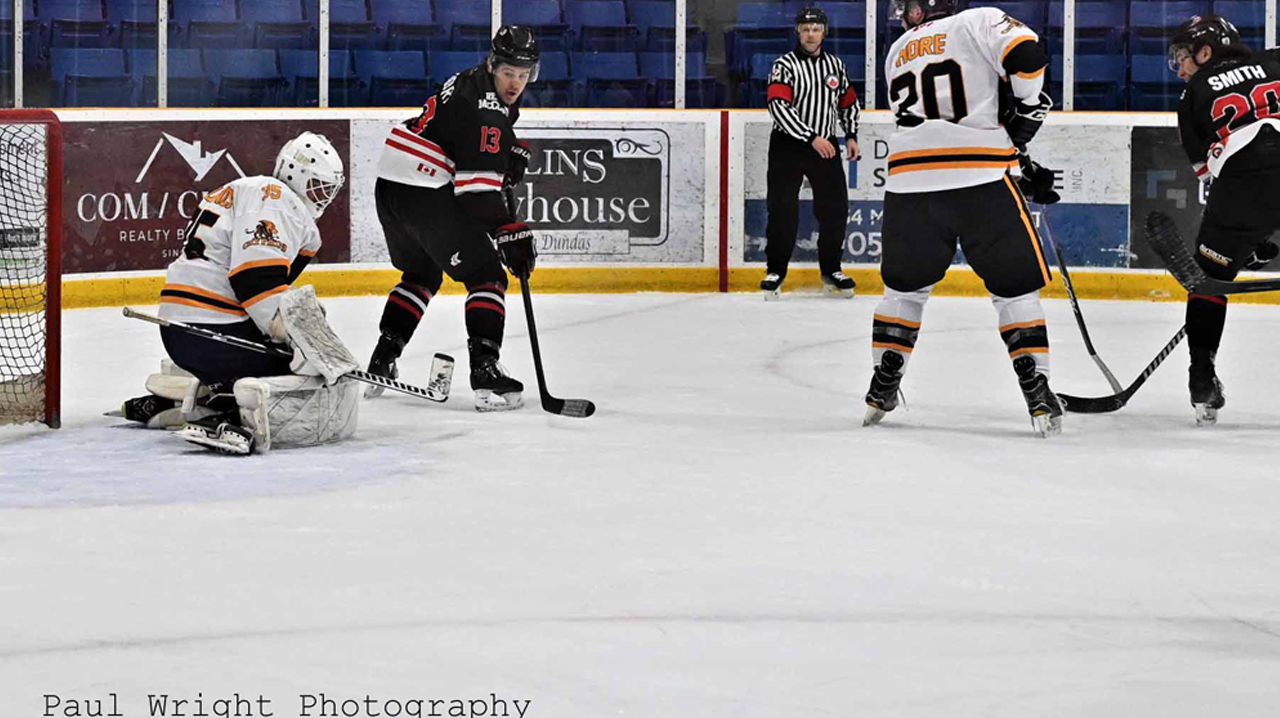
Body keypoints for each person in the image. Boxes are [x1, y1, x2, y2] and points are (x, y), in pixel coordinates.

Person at [865, 0, 1064, 437]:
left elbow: (942, 115)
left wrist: (1013, 150)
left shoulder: (897, 49)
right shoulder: (977, 20)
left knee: (904, 291)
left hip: (908, 182)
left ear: (919, 10)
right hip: (980, 179)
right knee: (1015, 292)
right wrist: (1028, 109)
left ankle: (884, 381)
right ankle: (1036, 386)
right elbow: (1028, 58)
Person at [120, 131, 353, 454]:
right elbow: (256, 283)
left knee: (283, 351)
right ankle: (231, 414)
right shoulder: (279, 201)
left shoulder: (242, 189)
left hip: (178, 333)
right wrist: (301, 341)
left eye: (328, 189)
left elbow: (262, 286)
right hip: (216, 334)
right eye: (318, 185)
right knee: (301, 371)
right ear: (294, 173)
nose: (323, 196)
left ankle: (185, 401)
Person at [366, 25, 540, 412]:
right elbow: (475, 194)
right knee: (487, 275)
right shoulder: (488, 110)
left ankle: (383, 356)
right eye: (509, 72)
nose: (515, 83)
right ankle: (486, 370)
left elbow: (459, 134)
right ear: (493, 65)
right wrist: (507, 230)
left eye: (523, 74)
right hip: (423, 187)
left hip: (391, 183)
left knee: (422, 274)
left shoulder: (469, 80)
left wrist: (506, 151)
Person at [1169, 14, 1280, 425]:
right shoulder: (1275, 60)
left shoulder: (1191, 96)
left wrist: (1246, 240)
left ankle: (1202, 378)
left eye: (1183, 56)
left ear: (1205, 51)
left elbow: (1213, 171)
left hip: (1241, 185)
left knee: (1208, 280)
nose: (1180, 68)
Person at [760, 5, 861, 300]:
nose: (810, 34)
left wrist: (851, 134)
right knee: (782, 209)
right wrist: (810, 137)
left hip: (825, 144)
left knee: (835, 209)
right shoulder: (784, 65)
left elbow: (848, 103)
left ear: (824, 32)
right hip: (789, 145)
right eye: (805, 29)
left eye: (816, 29)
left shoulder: (836, 66)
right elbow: (778, 107)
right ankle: (775, 269)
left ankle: (831, 268)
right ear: (797, 31)